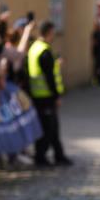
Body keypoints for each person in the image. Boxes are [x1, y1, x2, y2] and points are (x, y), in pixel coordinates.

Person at [26, 20, 73, 167]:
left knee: (52, 127)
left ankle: (58, 155)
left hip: (38, 95)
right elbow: (49, 77)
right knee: (48, 128)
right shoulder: (44, 51)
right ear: (49, 33)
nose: (54, 36)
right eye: (53, 33)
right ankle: (41, 156)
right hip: (45, 96)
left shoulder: (35, 47)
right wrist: (56, 96)